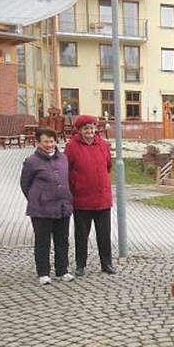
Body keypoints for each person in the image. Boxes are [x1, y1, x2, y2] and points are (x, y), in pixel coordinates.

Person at [20, 127, 73, 285]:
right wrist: (38, 197)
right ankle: (43, 272)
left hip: (62, 205)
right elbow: (25, 184)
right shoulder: (31, 161)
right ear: (38, 143)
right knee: (43, 241)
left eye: (52, 141)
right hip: (41, 208)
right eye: (46, 142)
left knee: (62, 240)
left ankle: (62, 270)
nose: (49, 145)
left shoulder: (63, 158)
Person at [64, 115, 114, 276]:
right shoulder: (72, 146)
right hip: (82, 198)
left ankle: (106, 263)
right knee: (81, 235)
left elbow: (108, 166)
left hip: (102, 198)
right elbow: (67, 168)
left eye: (92, 128)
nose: (90, 131)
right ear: (79, 131)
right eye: (86, 129)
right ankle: (81, 264)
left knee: (104, 234)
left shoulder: (103, 145)